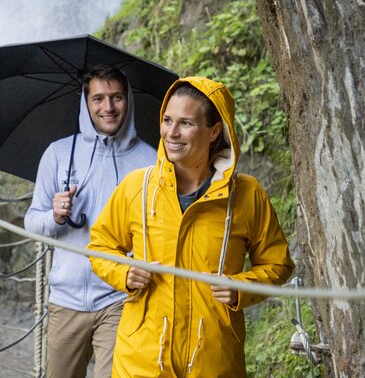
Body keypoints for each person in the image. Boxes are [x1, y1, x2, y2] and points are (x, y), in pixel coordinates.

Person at [87, 77, 295, 377]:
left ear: (214, 131)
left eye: (185, 123)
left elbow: (278, 264)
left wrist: (242, 287)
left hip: (214, 361)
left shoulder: (247, 195)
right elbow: (100, 246)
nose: (171, 132)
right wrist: (124, 272)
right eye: (167, 120)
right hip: (141, 361)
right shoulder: (138, 186)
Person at [24, 65, 156, 378]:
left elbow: (159, 230)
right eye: (98, 98)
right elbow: (31, 222)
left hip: (121, 299)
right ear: (86, 102)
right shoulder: (58, 154)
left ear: (128, 100)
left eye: (116, 97)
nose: (108, 107)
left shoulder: (150, 162)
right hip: (66, 299)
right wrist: (55, 217)